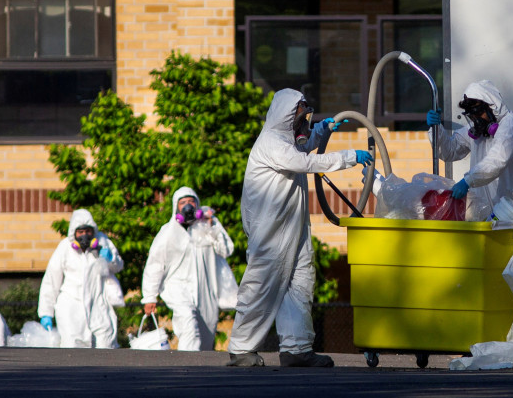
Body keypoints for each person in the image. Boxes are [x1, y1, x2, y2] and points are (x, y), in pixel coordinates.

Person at [227, 88, 373, 367]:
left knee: (301, 283)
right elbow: (304, 161)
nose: (305, 124)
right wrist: (348, 157)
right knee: (261, 285)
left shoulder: (285, 140)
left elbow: (301, 147)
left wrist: (321, 131)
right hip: (271, 230)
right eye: (301, 118)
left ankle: (296, 349)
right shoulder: (271, 142)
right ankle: (241, 349)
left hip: (291, 225)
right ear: (286, 115)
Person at [426, 79, 513, 218]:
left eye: (479, 113)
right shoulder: (477, 130)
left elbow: (497, 161)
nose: (476, 119)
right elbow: (449, 151)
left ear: (492, 106)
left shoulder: (512, 125)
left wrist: (467, 181)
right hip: (494, 215)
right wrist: (436, 129)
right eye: (472, 115)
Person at [141, 187, 235, 351]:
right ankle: (187, 367)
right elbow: (155, 265)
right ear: (175, 207)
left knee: (206, 338)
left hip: (207, 290)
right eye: (182, 202)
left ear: (198, 204)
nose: (187, 206)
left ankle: (200, 371)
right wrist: (150, 296)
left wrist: (212, 226)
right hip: (177, 287)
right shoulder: (169, 232)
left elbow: (226, 250)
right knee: (188, 324)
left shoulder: (208, 226)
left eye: (191, 202)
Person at [37, 208, 124, 348]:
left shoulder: (103, 242)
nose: (85, 236)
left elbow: (118, 266)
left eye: (88, 231)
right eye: (81, 232)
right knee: (73, 347)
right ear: (74, 234)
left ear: (93, 231)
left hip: (99, 304)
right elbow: (51, 280)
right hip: (71, 306)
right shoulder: (65, 248)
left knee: (105, 345)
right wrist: (46, 312)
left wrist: (109, 258)